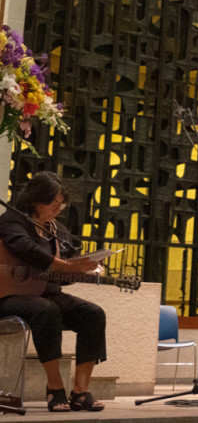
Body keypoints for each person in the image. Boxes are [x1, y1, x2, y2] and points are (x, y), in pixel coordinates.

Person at [0, 172, 106, 412]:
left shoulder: (59, 232)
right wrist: (66, 266)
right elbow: (25, 249)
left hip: (47, 294)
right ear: (35, 200)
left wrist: (82, 271)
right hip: (8, 296)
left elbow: (63, 274)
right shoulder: (12, 221)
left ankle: (80, 391)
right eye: (52, 203)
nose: (57, 210)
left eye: (61, 205)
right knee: (47, 310)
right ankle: (55, 389)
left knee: (93, 313)